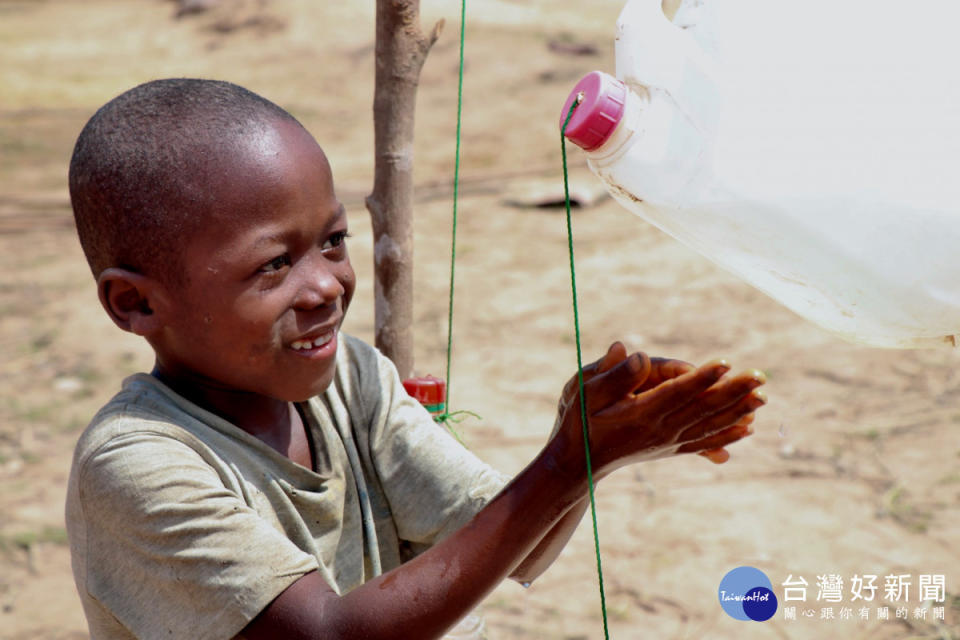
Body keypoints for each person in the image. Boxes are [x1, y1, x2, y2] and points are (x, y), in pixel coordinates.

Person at [65, 78, 767, 640]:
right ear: (135, 304)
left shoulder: (351, 379)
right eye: (274, 265)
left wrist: (587, 443)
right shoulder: (138, 466)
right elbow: (326, 634)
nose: (327, 288)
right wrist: (567, 462)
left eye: (334, 241)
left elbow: (511, 547)